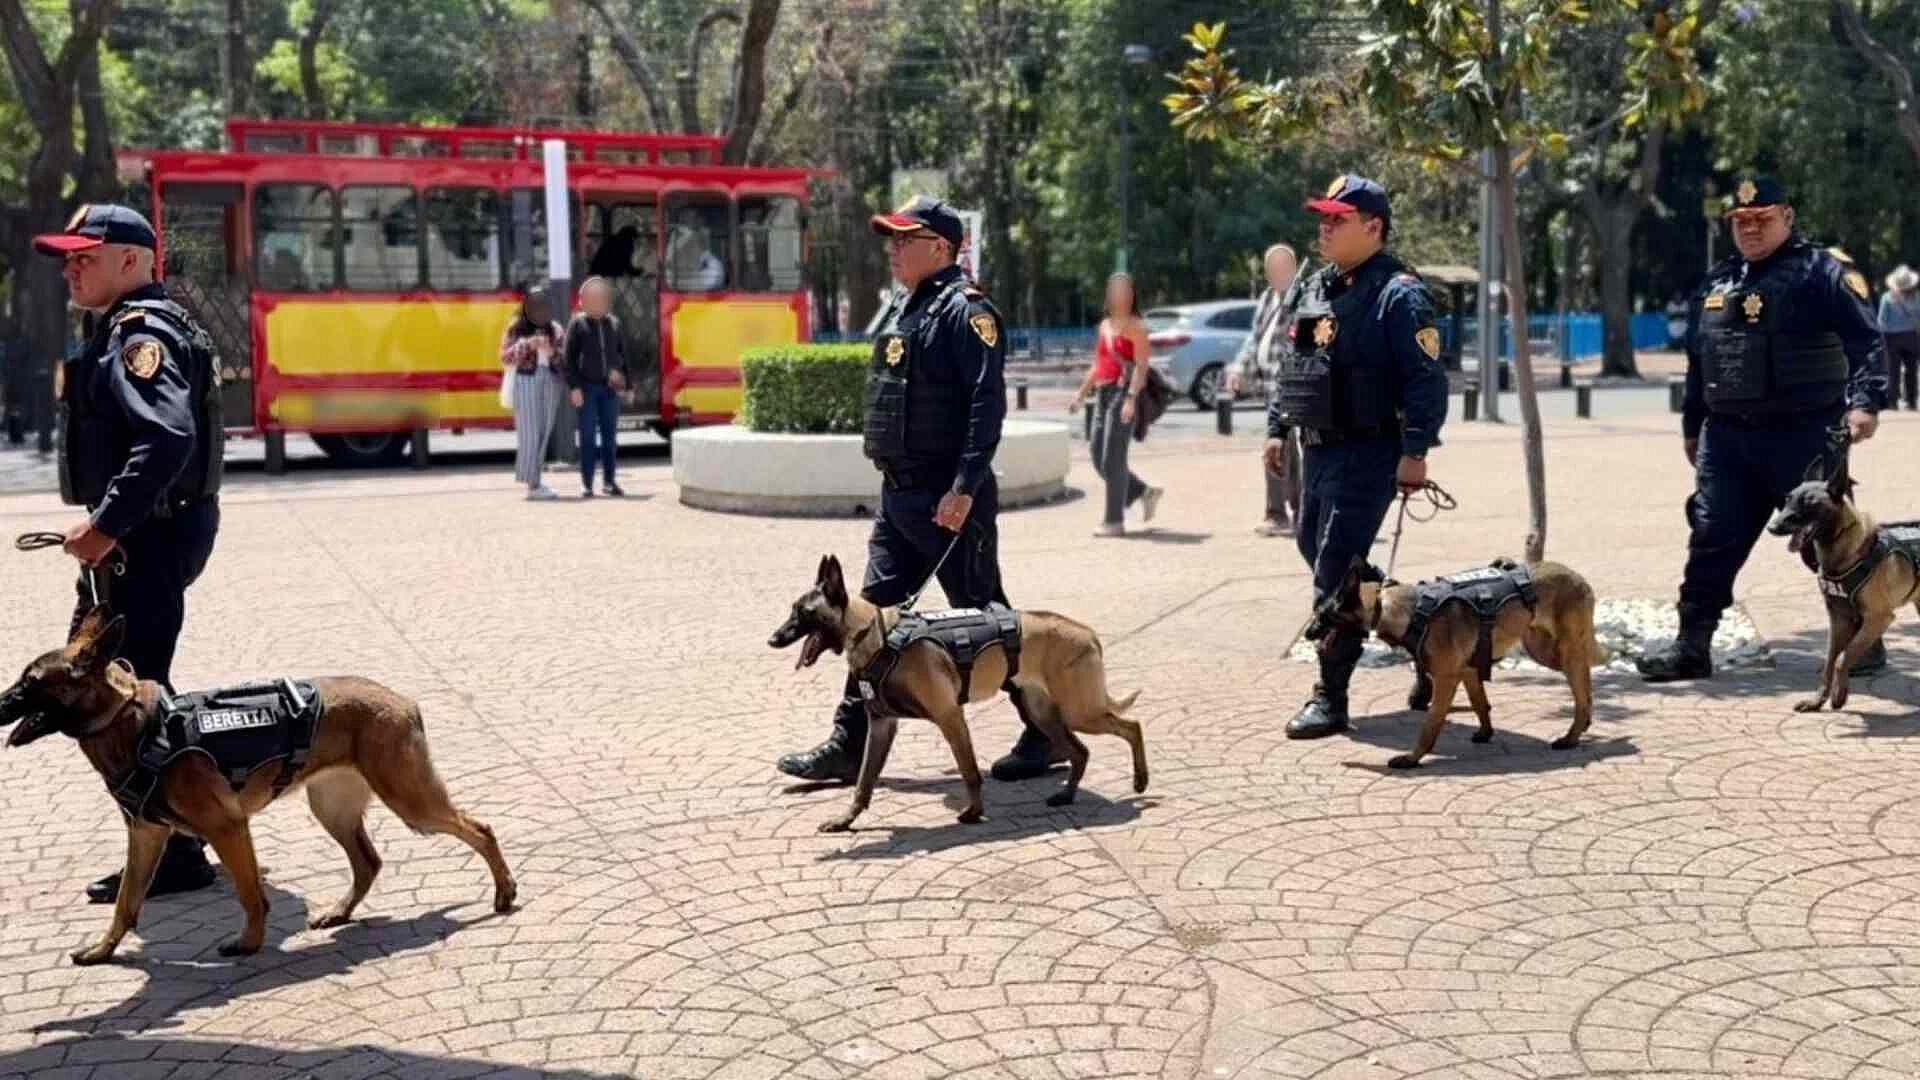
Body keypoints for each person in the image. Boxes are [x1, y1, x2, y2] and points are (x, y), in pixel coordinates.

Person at [776, 196, 1054, 784]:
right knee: (867, 622)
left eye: (906, 239)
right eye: (893, 239)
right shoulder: (911, 307)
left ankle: (1044, 729)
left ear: (942, 247)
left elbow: (986, 406)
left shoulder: (967, 311)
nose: (894, 249)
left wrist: (964, 488)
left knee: (987, 622)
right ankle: (850, 742)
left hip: (948, 502)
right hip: (900, 499)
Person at [36, 204, 224, 903]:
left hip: (145, 541)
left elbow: (167, 439)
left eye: (84, 256)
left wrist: (105, 525)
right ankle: (179, 837)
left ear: (131, 260)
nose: (71, 268)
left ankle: (178, 847)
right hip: (146, 537)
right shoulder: (130, 326)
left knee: (122, 698)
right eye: (68, 258)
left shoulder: (141, 333)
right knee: (124, 690)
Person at [1638, 175, 1889, 682]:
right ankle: (1692, 645)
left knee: (1830, 541)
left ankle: (1864, 636)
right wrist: (1692, 426)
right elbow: (1699, 361)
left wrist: (1865, 404)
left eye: (1762, 218)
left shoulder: (1823, 271)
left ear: (1787, 217)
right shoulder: (1717, 281)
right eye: (1741, 221)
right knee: (1711, 538)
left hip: (1805, 435)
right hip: (1727, 440)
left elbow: (1867, 342)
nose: (1750, 228)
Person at [1269, 175, 1449, 739]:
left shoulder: (1399, 294)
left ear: (1373, 227)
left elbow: (1426, 380)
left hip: (1371, 453)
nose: (1325, 228)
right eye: (1322, 218)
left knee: (1335, 568)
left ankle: (1331, 694)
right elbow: (1296, 364)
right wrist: (1277, 428)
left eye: (1337, 219)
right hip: (1319, 450)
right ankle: (1420, 626)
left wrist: (1415, 450)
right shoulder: (1318, 287)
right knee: (1316, 549)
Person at [1070, 272, 1163, 537]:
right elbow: (1098, 366)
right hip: (1102, 394)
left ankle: (1114, 521)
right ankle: (1143, 491)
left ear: (1132, 296)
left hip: (1124, 393)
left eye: (1125, 290)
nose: (1119, 295)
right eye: (1115, 290)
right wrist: (1080, 394)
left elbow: (1141, 366)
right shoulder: (1105, 326)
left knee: (1113, 459)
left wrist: (1131, 399)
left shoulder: (1136, 326)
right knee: (1098, 456)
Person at [1229, 243, 1307, 536]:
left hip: (1288, 385)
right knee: (1285, 449)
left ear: (1294, 268)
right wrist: (1238, 369)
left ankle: (1280, 513)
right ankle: (1296, 512)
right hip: (1268, 385)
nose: (1279, 271)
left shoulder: (1300, 299)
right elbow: (1254, 340)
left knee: (1277, 447)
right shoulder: (1266, 298)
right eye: (1274, 267)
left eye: (1285, 266)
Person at [499, 287, 567, 501]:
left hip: (551, 381)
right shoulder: (516, 328)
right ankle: (533, 484)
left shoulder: (555, 328)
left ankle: (535, 481)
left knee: (544, 431)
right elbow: (505, 358)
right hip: (525, 380)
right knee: (529, 433)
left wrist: (551, 351)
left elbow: (565, 362)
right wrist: (526, 344)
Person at [566, 276, 629, 498]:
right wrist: (574, 387)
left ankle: (609, 482)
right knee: (587, 438)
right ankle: (587, 483)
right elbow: (569, 359)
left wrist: (628, 384)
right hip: (587, 388)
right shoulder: (577, 324)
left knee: (610, 438)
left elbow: (623, 355)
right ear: (583, 300)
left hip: (610, 390)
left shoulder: (614, 323)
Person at [1879, 265, 1919, 411]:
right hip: (1912, 337)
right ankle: (1911, 401)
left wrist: (1881, 338)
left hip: (1891, 338)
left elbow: (1881, 320)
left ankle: (1892, 402)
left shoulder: (1887, 297)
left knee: (1893, 371)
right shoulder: (1917, 297)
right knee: (1911, 370)